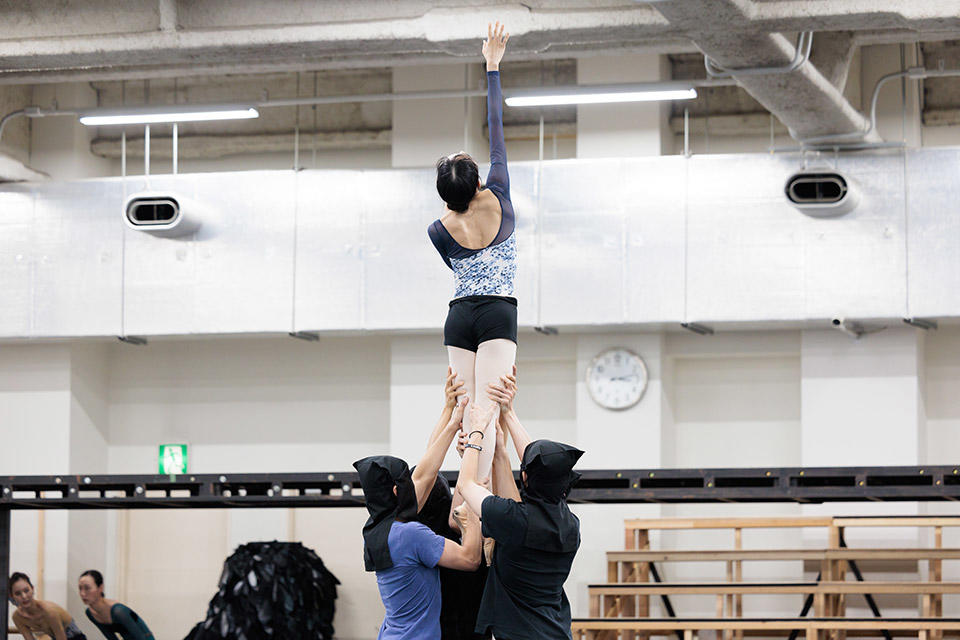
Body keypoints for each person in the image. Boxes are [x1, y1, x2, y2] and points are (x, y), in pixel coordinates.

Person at [427, 21, 515, 484]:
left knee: (466, 410)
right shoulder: (498, 194)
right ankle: (476, 502)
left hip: (459, 315)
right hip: (498, 313)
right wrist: (492, 65)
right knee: (489, 411)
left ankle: (465, 499)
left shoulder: (438, 229)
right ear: (479, 182)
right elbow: (497, 126)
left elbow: (458, 264)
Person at [456, 369, 585, 640]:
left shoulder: (514, 518)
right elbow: (539, 467)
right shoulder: (570, 525)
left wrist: (476, 434)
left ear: (524, 476)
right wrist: (508, 418)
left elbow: (467, 486)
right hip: (556, 632)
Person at [354, 383, 483, 640]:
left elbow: (426, 472)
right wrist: (473, 513)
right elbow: (470, 559)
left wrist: (450, 412)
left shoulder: (377, 528)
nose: (412, 483)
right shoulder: (411, 534)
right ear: (395, 491)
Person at [78, 570, 155, 640]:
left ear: (100, 588)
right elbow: (110, 637)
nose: (82, 593)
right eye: (80, 588)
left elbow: (140, 637)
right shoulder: (90, 613)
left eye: (87, 588)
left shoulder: (118, 611)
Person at [8, 572, 87, 640]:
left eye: (26, 590)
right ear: (12, 596)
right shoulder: (17, 617)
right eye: (18, 594)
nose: (24, 596)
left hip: (75, 637)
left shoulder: (48, 611)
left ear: (32, 589)